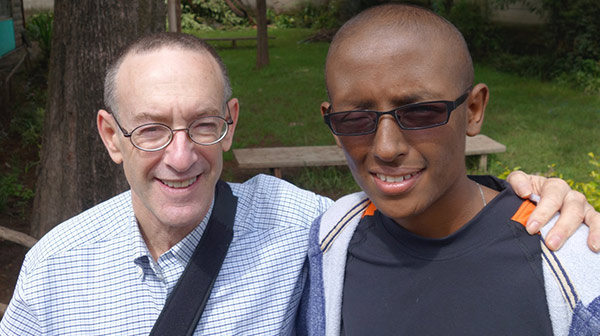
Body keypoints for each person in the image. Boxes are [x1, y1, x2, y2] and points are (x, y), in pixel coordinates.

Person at [0, 32, 597, 335]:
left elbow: (415, 193)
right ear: (110, 135)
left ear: (231, 123)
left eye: (203, 126)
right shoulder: (57, 268)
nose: (180, 158)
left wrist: (534, 194)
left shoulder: (304, 226)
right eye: (151, 130)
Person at [298, 4, 600, 336]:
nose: (386, 147)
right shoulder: (331, 242)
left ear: (473, 110)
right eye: (354, 119)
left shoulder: (567, 260)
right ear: (332, 123)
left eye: (420, 113)